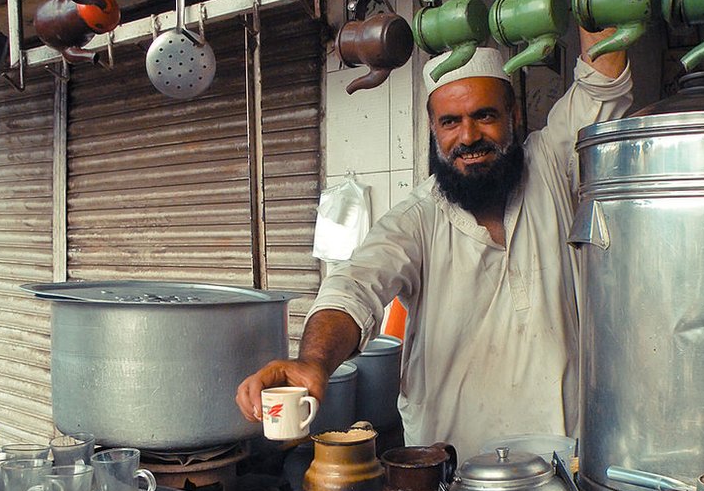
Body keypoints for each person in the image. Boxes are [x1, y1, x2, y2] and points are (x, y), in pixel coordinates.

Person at [237, 28, 633, 459]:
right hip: (452, 472)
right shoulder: (417, 218)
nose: (468, 138)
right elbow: (352, 287)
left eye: (484, 116)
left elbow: (602, 77)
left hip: (566, 462)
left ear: (513, 116)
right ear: (433, 127)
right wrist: (314, 363)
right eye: (450, 121)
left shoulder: (553, 165)